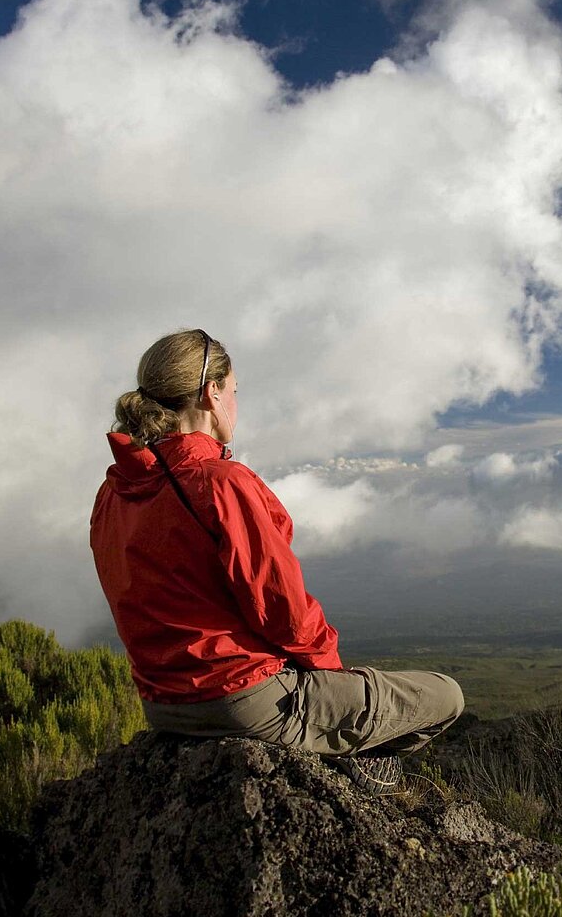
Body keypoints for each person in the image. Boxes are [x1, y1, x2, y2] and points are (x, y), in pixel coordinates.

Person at [90, 328, 464, 793]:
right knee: (446, 695)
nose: (235, 403)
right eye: (234, 391)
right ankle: (349, 759)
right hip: (241, 700)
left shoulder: (114, 493)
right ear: (212, 393)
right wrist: (332, 680)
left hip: (163, 705)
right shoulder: (221, 483)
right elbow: (281, 610)